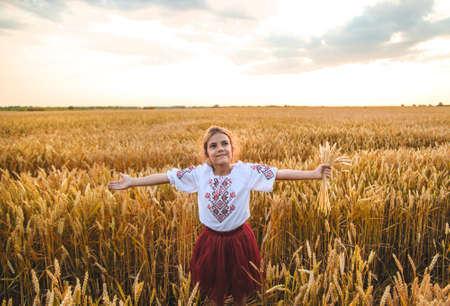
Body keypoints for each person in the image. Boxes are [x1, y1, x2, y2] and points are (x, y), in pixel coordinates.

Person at [108, 126, 331, 306]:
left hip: (240, 240)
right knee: (215, 294)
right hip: (211, 241)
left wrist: (314, 173)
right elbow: (167, 177)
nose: (220, 148)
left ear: (232, 149)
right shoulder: (199, 174)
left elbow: (279, 174)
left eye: (224, 143)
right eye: (213, 146)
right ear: (207, 154)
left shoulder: (246, 171)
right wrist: (133, 182)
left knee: (240, 293)